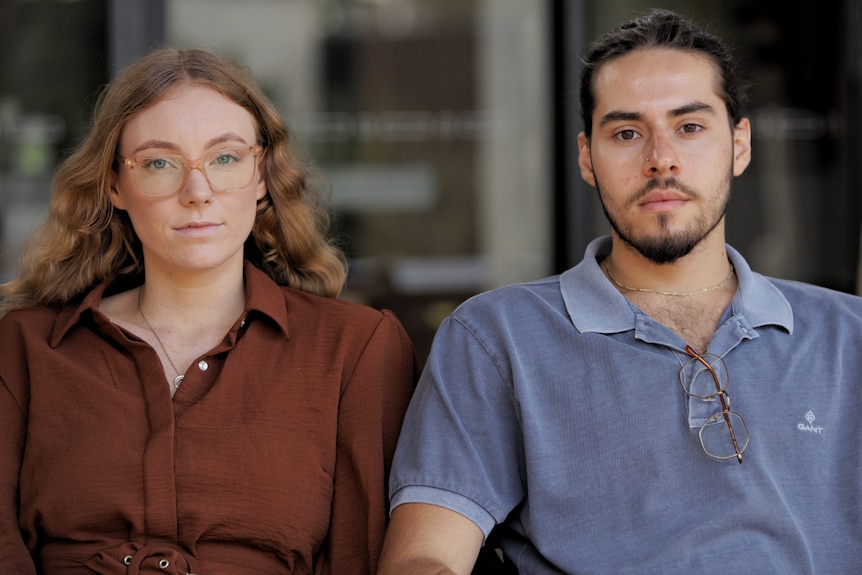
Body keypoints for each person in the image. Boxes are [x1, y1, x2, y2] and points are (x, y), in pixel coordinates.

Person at [379, 8, 862, 574]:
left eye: (689, 126)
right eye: (627, 132)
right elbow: (424, 556)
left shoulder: (848, 337)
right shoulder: (497, 338)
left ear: (740, 144)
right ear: (587, 157)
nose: (661, 159)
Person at [0, 47, 417, 574]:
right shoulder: (25, 348)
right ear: (114, 186)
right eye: (159, 163)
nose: (197, 192)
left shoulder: (354, 349)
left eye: (225, 158)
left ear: (261, 176)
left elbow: (364, 556)